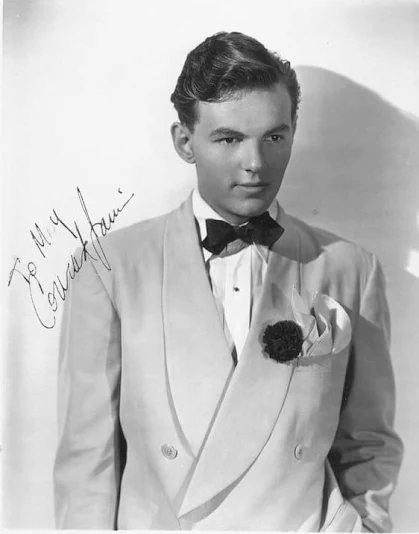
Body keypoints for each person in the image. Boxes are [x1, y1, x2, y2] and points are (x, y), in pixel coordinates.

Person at [53, 31, 403, 531]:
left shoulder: (351, 269)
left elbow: (368, 443)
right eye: (229, 139)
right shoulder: (109, 267)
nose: (255, 164)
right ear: (184, 142)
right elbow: (86, 461)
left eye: (274, 137)